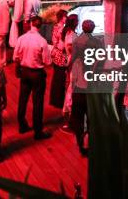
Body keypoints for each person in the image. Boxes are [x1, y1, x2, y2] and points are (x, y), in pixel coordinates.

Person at [13, 16, 52, 140]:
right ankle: (38, 131)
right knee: (37, 102)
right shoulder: (42, 41)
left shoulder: (21, 39)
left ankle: (22, 124)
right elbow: (47, 62)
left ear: (30, 24)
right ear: (40, 26)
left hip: (24, 72)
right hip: (37, 74)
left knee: (22, 99)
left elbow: (15, 57)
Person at [69, 20, 104, 155]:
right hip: (91, 90)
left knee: (78, 118)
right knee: (91, 118)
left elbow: (71, 63)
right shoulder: (97, 43)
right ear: (93, 28)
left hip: (78, 89)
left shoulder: (77, 43)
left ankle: (80, 143)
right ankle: (91, 143)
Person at [49, 10, 69, 109]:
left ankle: (55, 100)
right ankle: (59, 101)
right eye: (66, 16)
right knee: (61, 79)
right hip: (61, 56)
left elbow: (54, 41)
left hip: (55, 55)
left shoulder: (55, 27)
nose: (67, 18)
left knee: (56, 78)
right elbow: (62, 46)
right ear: (62, 17)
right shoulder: (63, 29)